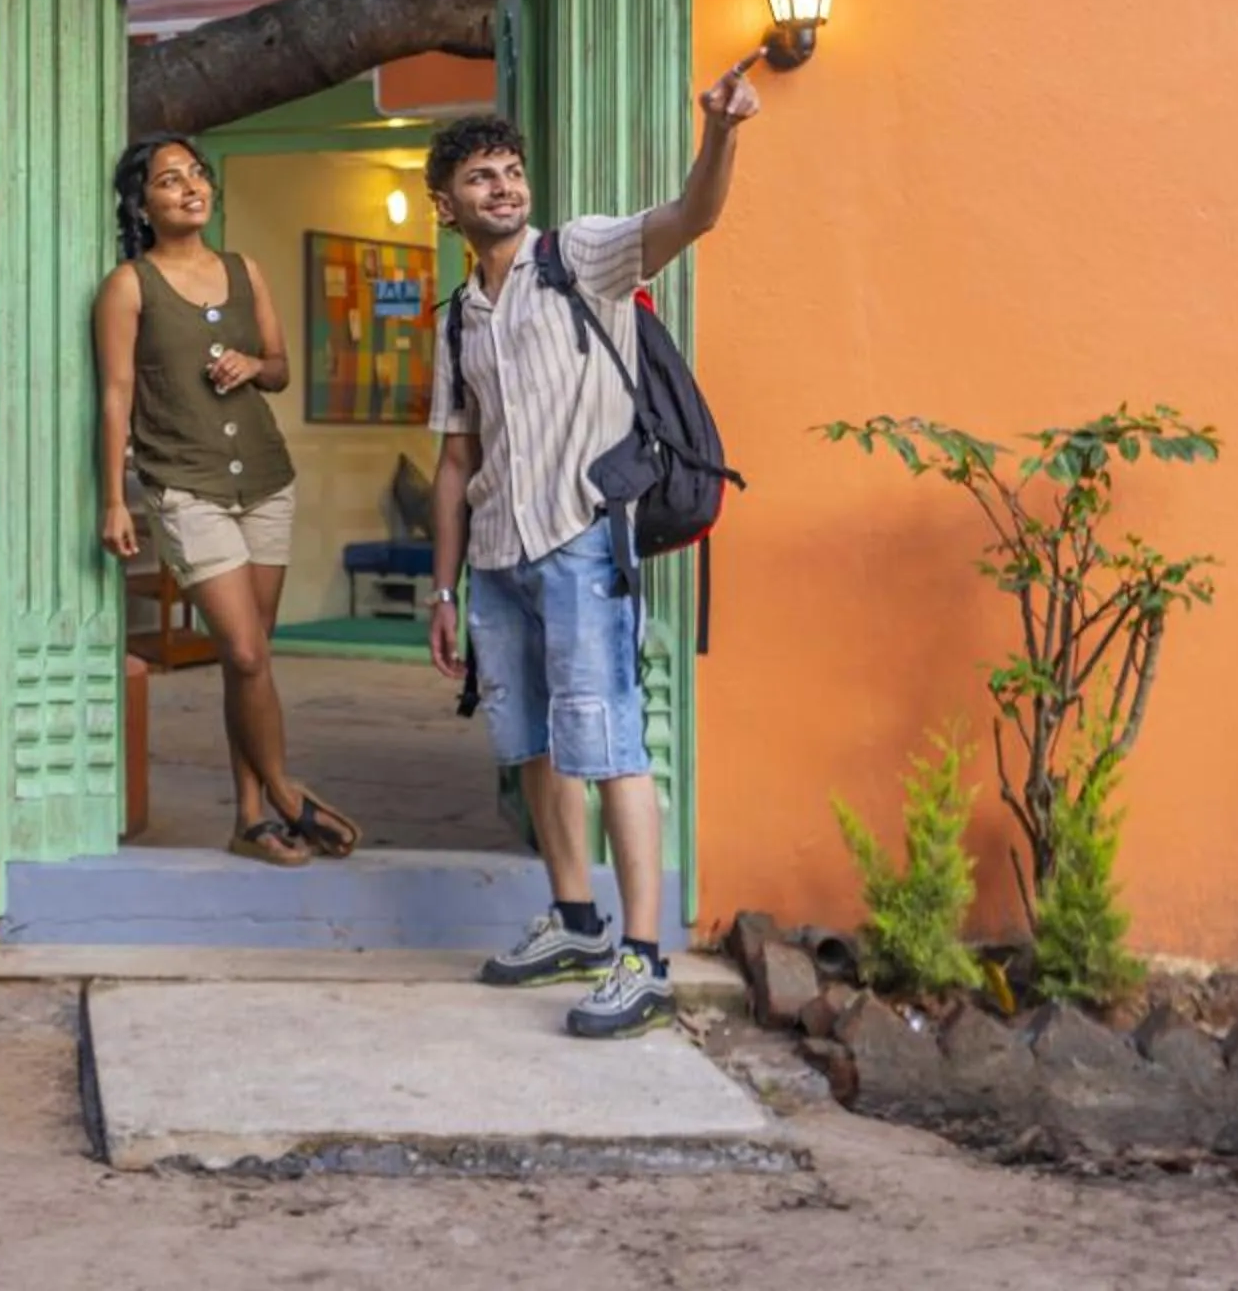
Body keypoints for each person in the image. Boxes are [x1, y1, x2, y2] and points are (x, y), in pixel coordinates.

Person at [424, 58, 761, 1038]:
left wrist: (722, 132)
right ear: (446, 203)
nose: (504, 186)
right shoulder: (456, 322)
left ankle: (645, 957)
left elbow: (690, 216)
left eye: (511, 170)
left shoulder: (582, 255)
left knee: (609, 739)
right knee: (530, 740)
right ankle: (573, 919)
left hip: (581, 545)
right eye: (481, 176)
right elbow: (454, 461)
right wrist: (441, 592)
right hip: (494, 557)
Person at [96, 135, 360, 867]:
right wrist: (115, 500)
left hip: (266, 482)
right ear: (142, 203)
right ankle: (283, 791)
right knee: (242, 650)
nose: (190, 188)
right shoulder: (130, 286)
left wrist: (254, 364)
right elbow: (116, 396)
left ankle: (251, 820)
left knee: (254, 663)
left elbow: (278, 369)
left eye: (197, 175)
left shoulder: (245, 271)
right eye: (169, 180)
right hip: (187, 484)